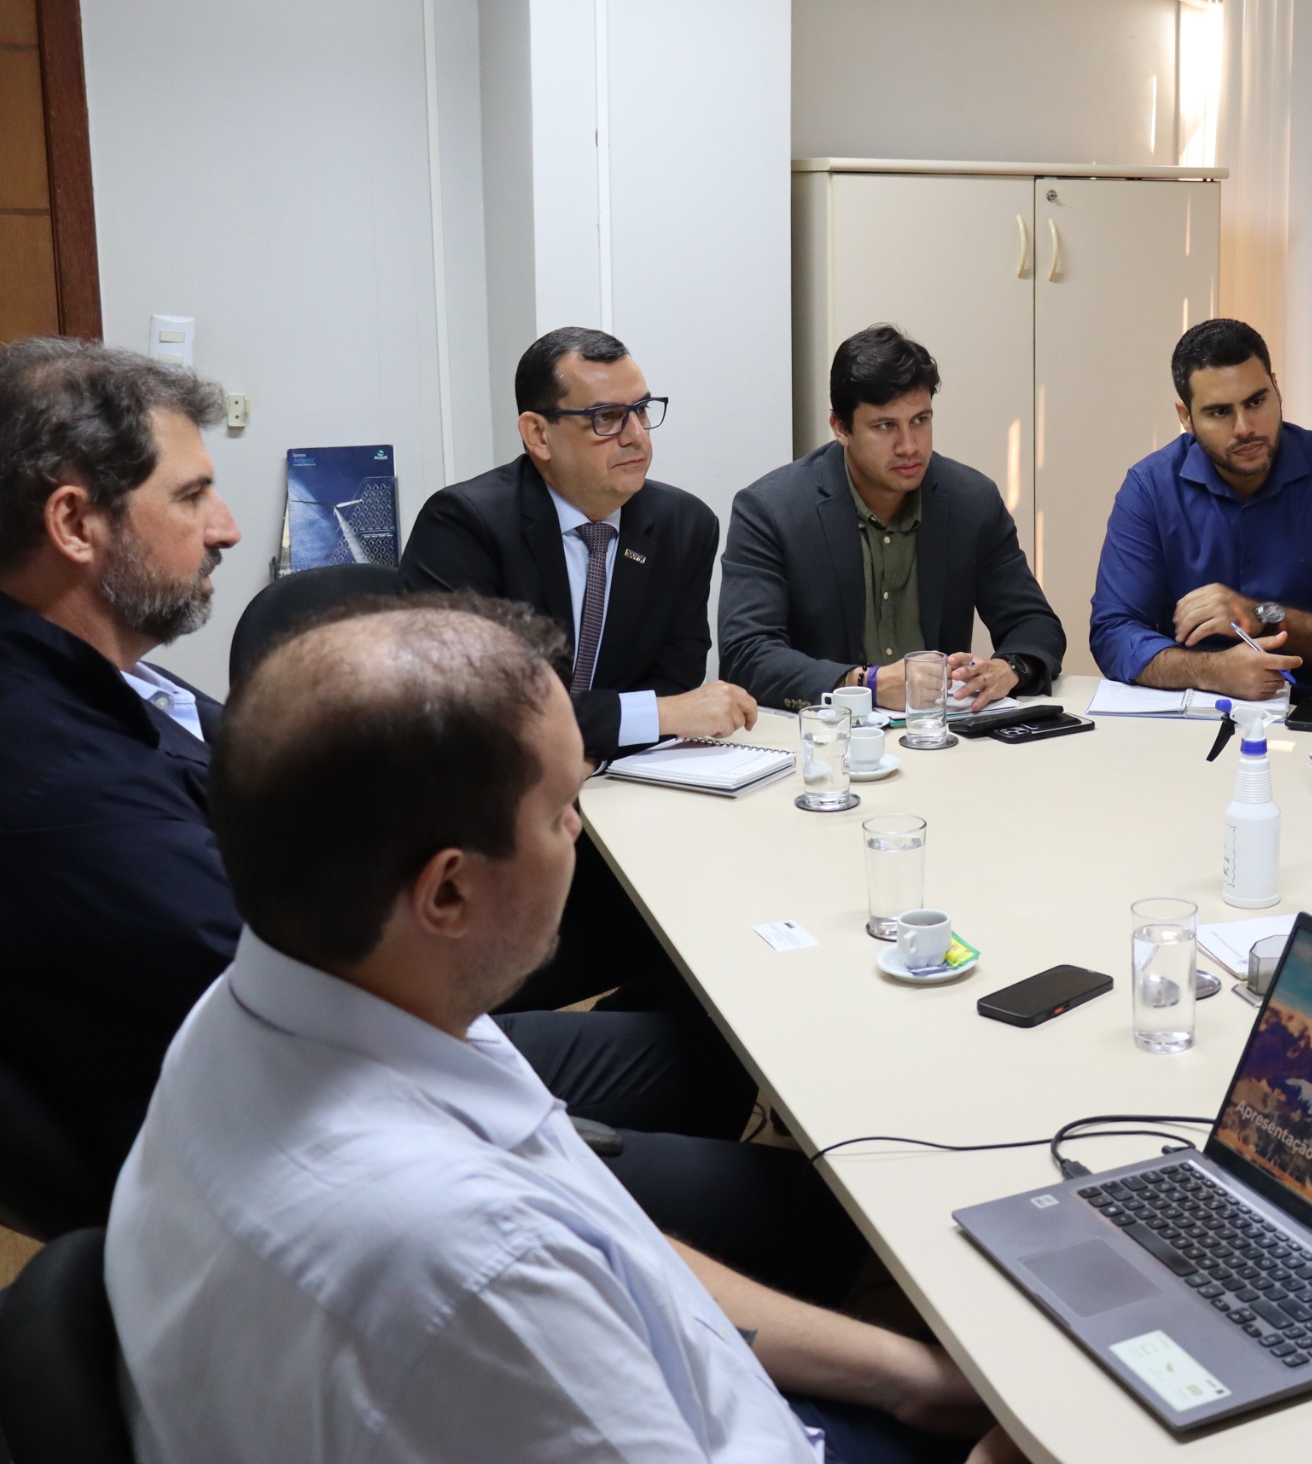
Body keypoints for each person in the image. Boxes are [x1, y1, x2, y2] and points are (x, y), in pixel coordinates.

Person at [0, 340, 862, 1298]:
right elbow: (281, 993)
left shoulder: (115, 682)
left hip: (379, 1046)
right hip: (350, 1122)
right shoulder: (53, 773)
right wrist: (520, 1127)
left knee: (709, 1046)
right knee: (812, 1212)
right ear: (74, 524)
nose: (229, 527)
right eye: (193, 495)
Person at [106, 601, 1020, 1463]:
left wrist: (903, 1376)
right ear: (448, 891)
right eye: (558, 812)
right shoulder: (472, 1263)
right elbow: (539, 1264)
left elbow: (609, 1242)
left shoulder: (291, 1006)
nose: (579, 829)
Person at [400, 325, 757, 763]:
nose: (636, 436)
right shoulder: (464, 525)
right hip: (491, 782)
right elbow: (475, 707)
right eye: (606, 417)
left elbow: (673, 683)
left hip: (623, 776)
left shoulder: (683, 527)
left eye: (641, 410)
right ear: (538, 434)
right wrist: (653, 717)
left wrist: (601, 749)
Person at [721, 324, 1065, 713]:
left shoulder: (971, 501)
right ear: (841, 428)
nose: (909, 446)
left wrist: (1008, 669)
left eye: (920, 420)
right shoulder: (771, 510)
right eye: (886, 426)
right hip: (826, 733)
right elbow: (746, 654)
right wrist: (864, 683)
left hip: (940, 732)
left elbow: (1035, 624)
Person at [1089, 318, 1312, 702]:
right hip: (1188, 709)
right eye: (1219, 412)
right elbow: (1113, 632)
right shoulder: (1150, 488)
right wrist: (1213, 671)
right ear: (1186, 417)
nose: (1245, 427)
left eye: (1256, 401)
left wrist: (1263, 615)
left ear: (1276, 388)